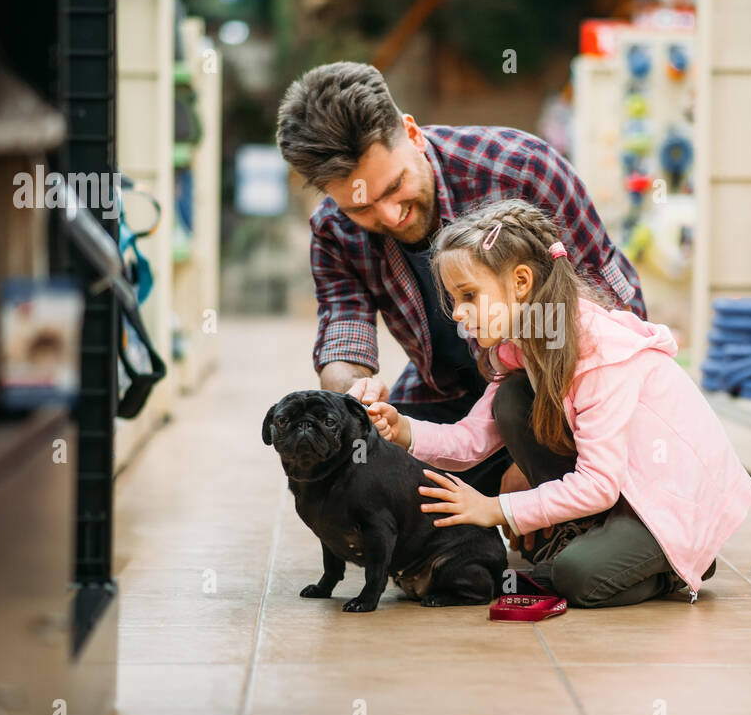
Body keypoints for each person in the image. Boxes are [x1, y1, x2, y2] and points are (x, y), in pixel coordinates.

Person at [275, 62, 646, 556]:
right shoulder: (332, 230)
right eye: (360, 208)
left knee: (517, 401)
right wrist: (353, 394)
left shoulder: (521, 170)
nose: (387, 216)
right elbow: (344, 331)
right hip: (448, 398)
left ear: (411, 133)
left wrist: (534, 461)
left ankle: (593, 509)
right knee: (367, 460)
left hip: (557, 393)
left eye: (394, 187)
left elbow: (617, 316)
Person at [363, 199, 751, 607]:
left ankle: (678, 565)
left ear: (520, 282)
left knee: (575, 577)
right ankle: (595, 538)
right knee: (513, 399)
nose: (459, 313)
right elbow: (472, 440)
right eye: (453, 298)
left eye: (469, 295)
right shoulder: (524, 346)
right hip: (623, 489)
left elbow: (599, 485)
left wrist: (494, 509)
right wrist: (404, 430)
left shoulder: (597, 354)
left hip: (669, 500)